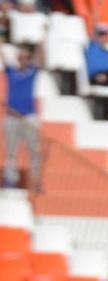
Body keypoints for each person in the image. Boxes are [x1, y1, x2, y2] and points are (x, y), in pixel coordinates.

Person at [3, 43, 41, 191]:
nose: (23, 59)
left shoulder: (32, 72)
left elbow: (40, 55)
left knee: (34, 150)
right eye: (21, 57)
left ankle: (35, 180)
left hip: (29, 116)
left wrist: (42, 40)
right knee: (11, 150)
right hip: (12, 116)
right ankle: (10, 179)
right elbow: (4, 57)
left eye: (26, 57)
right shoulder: (11, 72)